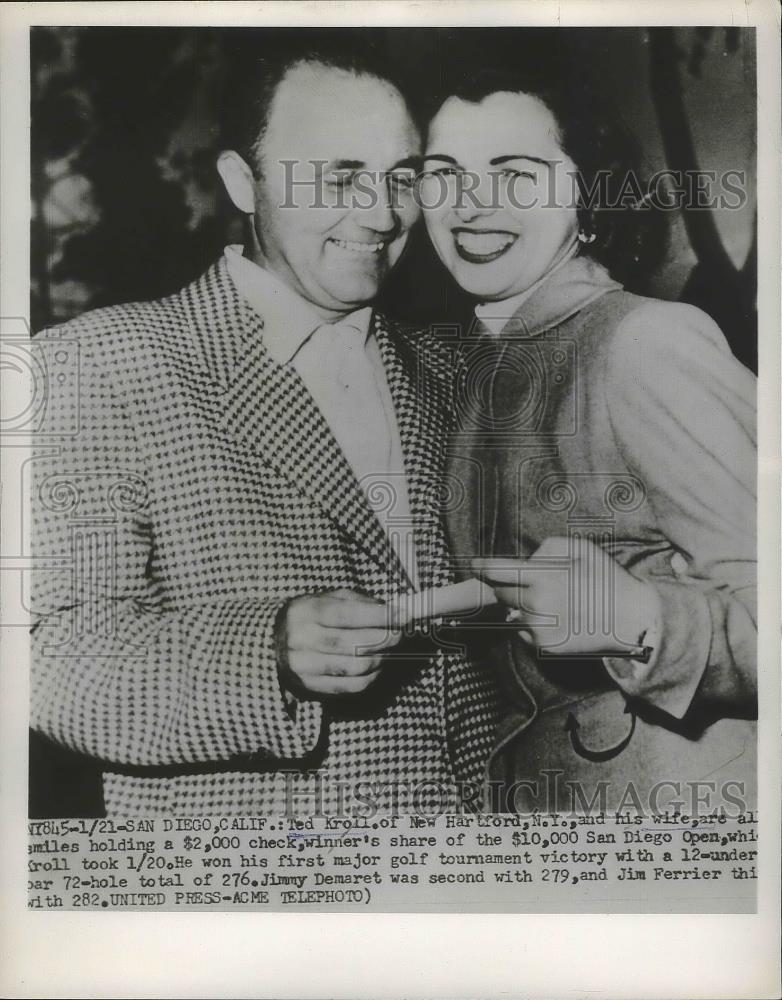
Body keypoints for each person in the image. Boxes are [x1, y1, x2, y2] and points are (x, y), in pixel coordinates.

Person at [30, 40, 501, 817]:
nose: (383, 215)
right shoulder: (99, 363)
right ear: (242, 183)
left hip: (470, 882)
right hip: (254, 898)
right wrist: (268, 652)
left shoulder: (462, 369)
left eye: (402, 178)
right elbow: (49, 663)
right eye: (339, 175)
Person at [420, 70, 757, 814]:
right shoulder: (489, 361)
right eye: (443, 173)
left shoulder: (643, 342)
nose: (472, 204)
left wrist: (638, 620)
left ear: (589, 198)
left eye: (515, 174)